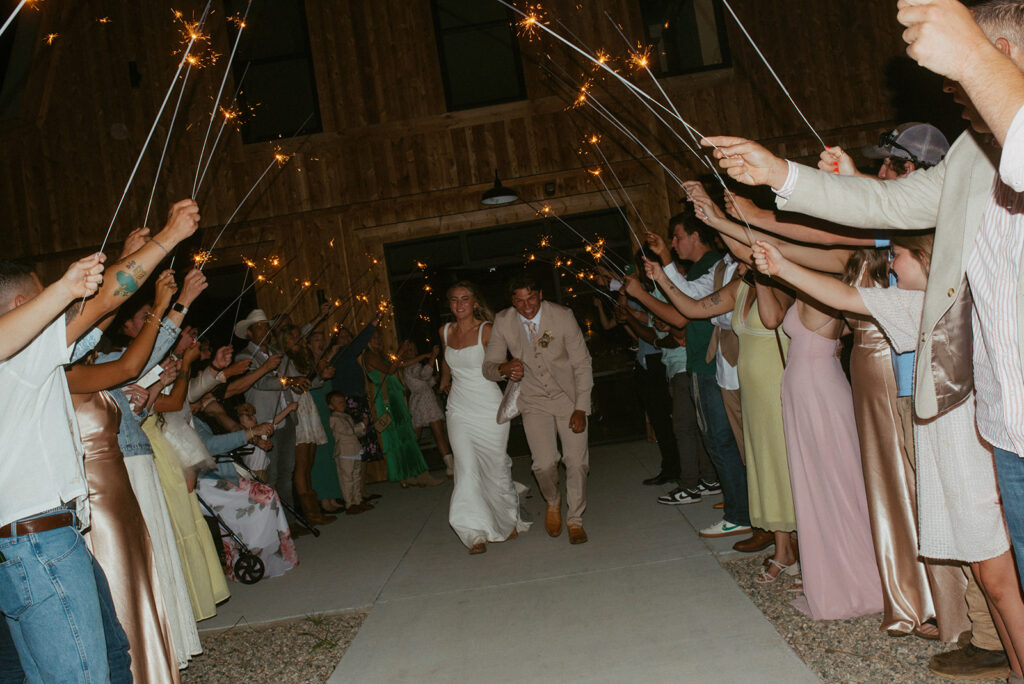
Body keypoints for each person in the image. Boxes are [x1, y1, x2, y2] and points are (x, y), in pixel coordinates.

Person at [752, 235, 1024, 676]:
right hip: (955, 434)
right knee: (983, 562)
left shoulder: (959, 297)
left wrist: (781, 263)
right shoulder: (915, 303)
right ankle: (1003, 653)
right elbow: (845, 294)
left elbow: (843, 289)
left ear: (926, 259)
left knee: (996, 568)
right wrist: (779, 266)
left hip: (983, 437)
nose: (891, 266)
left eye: (898, 257)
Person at [0, 199, 199, 681]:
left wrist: (123, 260)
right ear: (24, 306)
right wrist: (169, 237)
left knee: (110, 655)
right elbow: (105, 301)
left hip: (43, 539)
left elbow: (91, 324)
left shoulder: (23, 359)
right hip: (38, 543)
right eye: (45, 294)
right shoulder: (17, 355)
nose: (58, 302)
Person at [624, 214, 748, 538]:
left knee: (719, 440)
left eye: (678, 237)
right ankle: (739, 503)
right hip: (706, 361)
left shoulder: (715, 263)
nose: (675, 243)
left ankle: (740, 509)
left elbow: (686, 308)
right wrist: (664, 260)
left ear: (697, 236)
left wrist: (643, 291)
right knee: (717, 439)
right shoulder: (712, 265)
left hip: (710, 363)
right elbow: (686, 300)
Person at [482, 273, 593, 544]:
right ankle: (553, 500)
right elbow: (489, 367)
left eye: (531, 297)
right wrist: (503, 368)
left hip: (568, 398)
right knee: (543, 465)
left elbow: (582, 363)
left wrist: (581, 407)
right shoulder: (503, 320)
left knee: (576, 462)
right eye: (519, 301)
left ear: (540, 295)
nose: (527, 305)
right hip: (533, 400)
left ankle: (575, 519)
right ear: (512, 302)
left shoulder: (562, 316)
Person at [441, 281, 531, 554]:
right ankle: (474, 532)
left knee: (494, 468)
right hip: (458, 408)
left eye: (465, 299)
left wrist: (511, 370)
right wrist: (444, 381)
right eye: (454, 300)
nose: (459, 305)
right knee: (465, 469)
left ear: (474, 302)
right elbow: (446, 360)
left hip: (487, 406)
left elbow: (498, 365)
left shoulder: (486, 330)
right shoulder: (444, 331)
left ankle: (507, 518)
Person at [235, 308, 311, 521]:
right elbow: (260, 382)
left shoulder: (281, 355)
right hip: (265, 422)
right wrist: (289, 381)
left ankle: (290, 521)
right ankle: (273, 524)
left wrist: (300, 382)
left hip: (287, 418)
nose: (265, 330)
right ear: (249, 333)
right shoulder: (245, 356)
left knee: (287, 472)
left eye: (266, 326)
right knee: (271, 475)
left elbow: (293, 378)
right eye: (259, 327)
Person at [363, 330, 442, 487]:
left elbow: (402, 364)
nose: (377, 339)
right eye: (373, 337)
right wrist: (400, 351)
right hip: (387, 401)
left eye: (379, 336)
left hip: (394, 398)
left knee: (406, 438)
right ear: (366, 340)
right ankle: (409, 474)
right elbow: (390, 370)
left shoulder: (382, 355)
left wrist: (425, 356)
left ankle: (413, 474)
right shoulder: (369, 356)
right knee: (397, 439)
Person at [399, 339, 455, 477]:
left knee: (438, 434)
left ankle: (450, 467)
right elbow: (424, 374)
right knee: (416, 438)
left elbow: (427, 381)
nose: (410, 350)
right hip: (421, 402)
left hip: (426, 400)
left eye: (412, 347)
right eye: (407, 349)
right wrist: (432, 357)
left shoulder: (415, 365)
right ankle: (412, 468)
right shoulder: (408, 366)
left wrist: (437, 379)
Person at [327, 391, 372, 514]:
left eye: (343, 402)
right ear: (331, 406)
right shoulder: (334, 418)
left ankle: (358, 500)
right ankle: (349, 503)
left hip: (355, 450)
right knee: (347, 478)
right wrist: (361, 424)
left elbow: (356, 432)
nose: (342, 404)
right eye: (338, 402)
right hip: (344, 452)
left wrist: (363, 428)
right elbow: (347, 431)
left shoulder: (346, 416)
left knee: (356, 476)